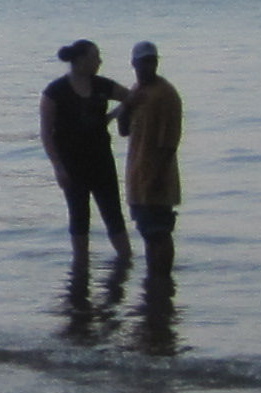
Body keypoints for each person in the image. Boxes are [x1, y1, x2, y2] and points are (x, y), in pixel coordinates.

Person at [38, 40, 130, 258]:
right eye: (95, 57)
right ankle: (81, 265)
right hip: (72, 165)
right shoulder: (55, 92)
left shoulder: (101, 85)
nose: (99, 61)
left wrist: (111, 116)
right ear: (80, 60)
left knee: (113, 214)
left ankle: (125, 260)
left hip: (101, 160)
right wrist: (58, 167)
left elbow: (132, 97)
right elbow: (45, 133)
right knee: (79, 216)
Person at [120, 41, 184, 276]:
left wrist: (157, 176)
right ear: (134, 64)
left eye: (151, 61)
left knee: (160, 231)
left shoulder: (166, 95)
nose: (147, 66)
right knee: (147, 231)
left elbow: (169, 143)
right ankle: (154, 278)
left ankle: (163, 278)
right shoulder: (137, 91)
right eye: (142, 62)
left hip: (158, 176)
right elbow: (124, 130)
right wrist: (126, 105)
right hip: (137, 177)